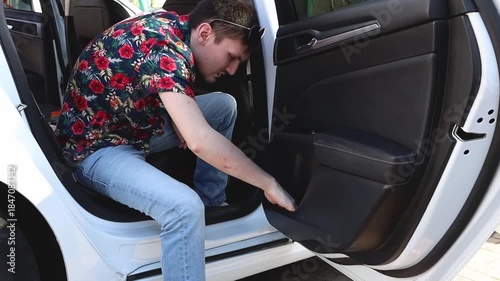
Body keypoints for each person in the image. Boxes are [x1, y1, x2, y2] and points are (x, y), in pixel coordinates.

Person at [55, 0, 297, 280]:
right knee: (183, 208)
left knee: (223, 107)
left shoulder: (173, 25)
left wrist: (178, 114)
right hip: (96, 149)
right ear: (205, 33)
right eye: (232, 57)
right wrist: (269, 183)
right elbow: (200, 141)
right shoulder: (165, 49)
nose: (232, 71)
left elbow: (150, 80)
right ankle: (194, 218)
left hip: (131, 125)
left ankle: (212, 203)